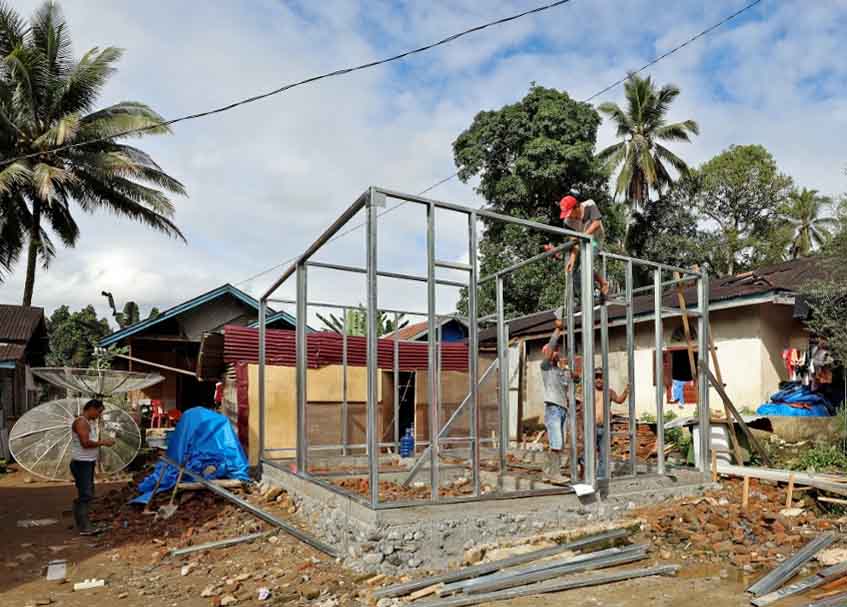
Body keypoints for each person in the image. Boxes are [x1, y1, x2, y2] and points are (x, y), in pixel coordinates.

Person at [70, 399, 114, 535]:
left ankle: (84, 523)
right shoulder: (81, 422)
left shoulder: (88, 423)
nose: (99, 415)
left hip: (87, 463)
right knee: (86, 494)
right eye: (99, 412)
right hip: (81, 464)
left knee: (88, 493)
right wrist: (103, 442)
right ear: (92, 409)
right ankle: (84, 527)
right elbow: (85, 443)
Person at [559, 195, 609, 298]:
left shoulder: (589, 205)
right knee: (573, 270)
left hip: (595, 240)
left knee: (585, 265)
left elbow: (596, 224)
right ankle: (584, 296)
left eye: (569, 213)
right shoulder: (567, 223)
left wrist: (582, 236)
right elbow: (574, 242)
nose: (569, 217)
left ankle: (595, 291)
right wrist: (573, 259)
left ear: (576, 207)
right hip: (581, 241)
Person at [583, 369, 629, 479]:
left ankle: (601, 477)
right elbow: (581, 407)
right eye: (596, 377)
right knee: (589, 453)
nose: (599, 380)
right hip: (591, 427)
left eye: (601, 377)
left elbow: (619, 400)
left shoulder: (609, 392)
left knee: (604, 454)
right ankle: (588, 475)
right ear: (593, 379)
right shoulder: (589, 391)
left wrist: (626, 391)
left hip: (605, 427)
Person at [540, 327, 571, 483]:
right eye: (553, 351)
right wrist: (557, 330)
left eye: (557, 351)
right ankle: (555, 474)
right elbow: (550, 348)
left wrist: (570, 371)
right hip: (553, 407)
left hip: (563, 408)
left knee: (558, 443)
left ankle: (547, 472)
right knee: (557, 442)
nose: (556, 353)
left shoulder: (560, 371)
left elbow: (575, 380)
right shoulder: (546, 368)